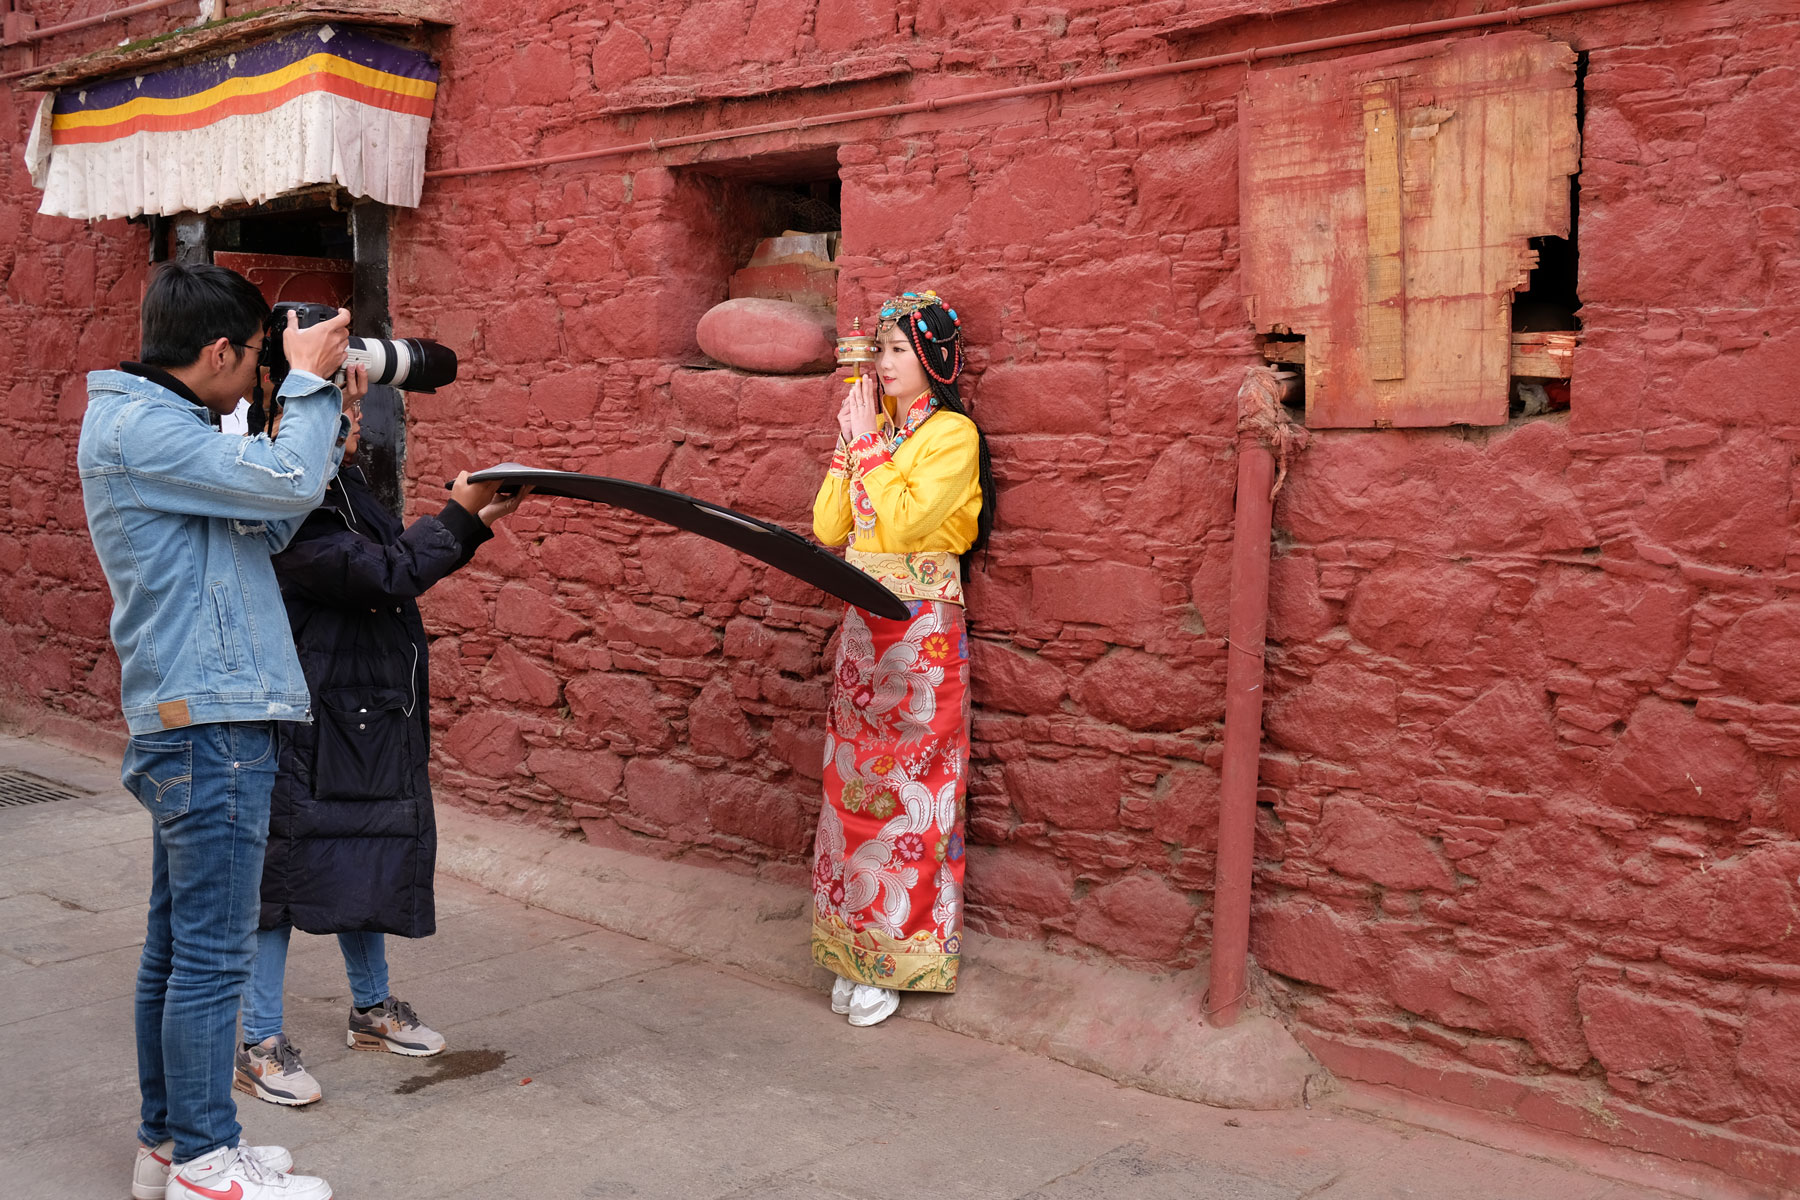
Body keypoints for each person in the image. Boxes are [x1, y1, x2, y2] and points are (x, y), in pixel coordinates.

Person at [78, 261, 347, 1200]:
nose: (264, 378)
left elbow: (265, 521)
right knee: (212, 956)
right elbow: (278, 487)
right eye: (261, 362)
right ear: (221, 349)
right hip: (212, 719)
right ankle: (205, 1160)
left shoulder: (161, 429)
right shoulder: (144, 426)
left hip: (201, 714)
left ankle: (166, 1145)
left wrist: (315, 432)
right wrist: (310, 392)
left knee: (178, 945)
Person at [233, 368, 528, 1106]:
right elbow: (379, 573)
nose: (352, 426)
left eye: (354, 412)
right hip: (304, 715)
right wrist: (457, 517)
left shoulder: (340, 484)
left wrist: (474, 522)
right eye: (338, 413)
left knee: (363, 851)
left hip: (364, 710)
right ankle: (258, 1042)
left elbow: (391, 561)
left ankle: (371, 1010)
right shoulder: (279, 497)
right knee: (283, 875)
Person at [809, 289, 996, 1027]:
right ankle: (852, 946)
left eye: (896, 348)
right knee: (851, 794)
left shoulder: (952, 436)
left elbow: (914, 520)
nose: (883, 363)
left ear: (933, 357)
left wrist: (867, 450)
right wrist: (849, 446)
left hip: (923, 631)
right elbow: (830, 526)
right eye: (878, 349)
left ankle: (899, 957)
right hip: (863, 627)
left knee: (914, 796)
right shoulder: (874, 435)